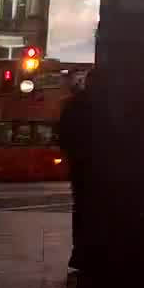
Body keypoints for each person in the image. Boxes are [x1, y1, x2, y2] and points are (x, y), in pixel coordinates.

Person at [57, 73, 94, 272]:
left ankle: (79, 251)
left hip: (79, 164)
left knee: (80, 207)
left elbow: (63, 135)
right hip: (98, 165)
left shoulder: (73, 105)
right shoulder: (103, 106)